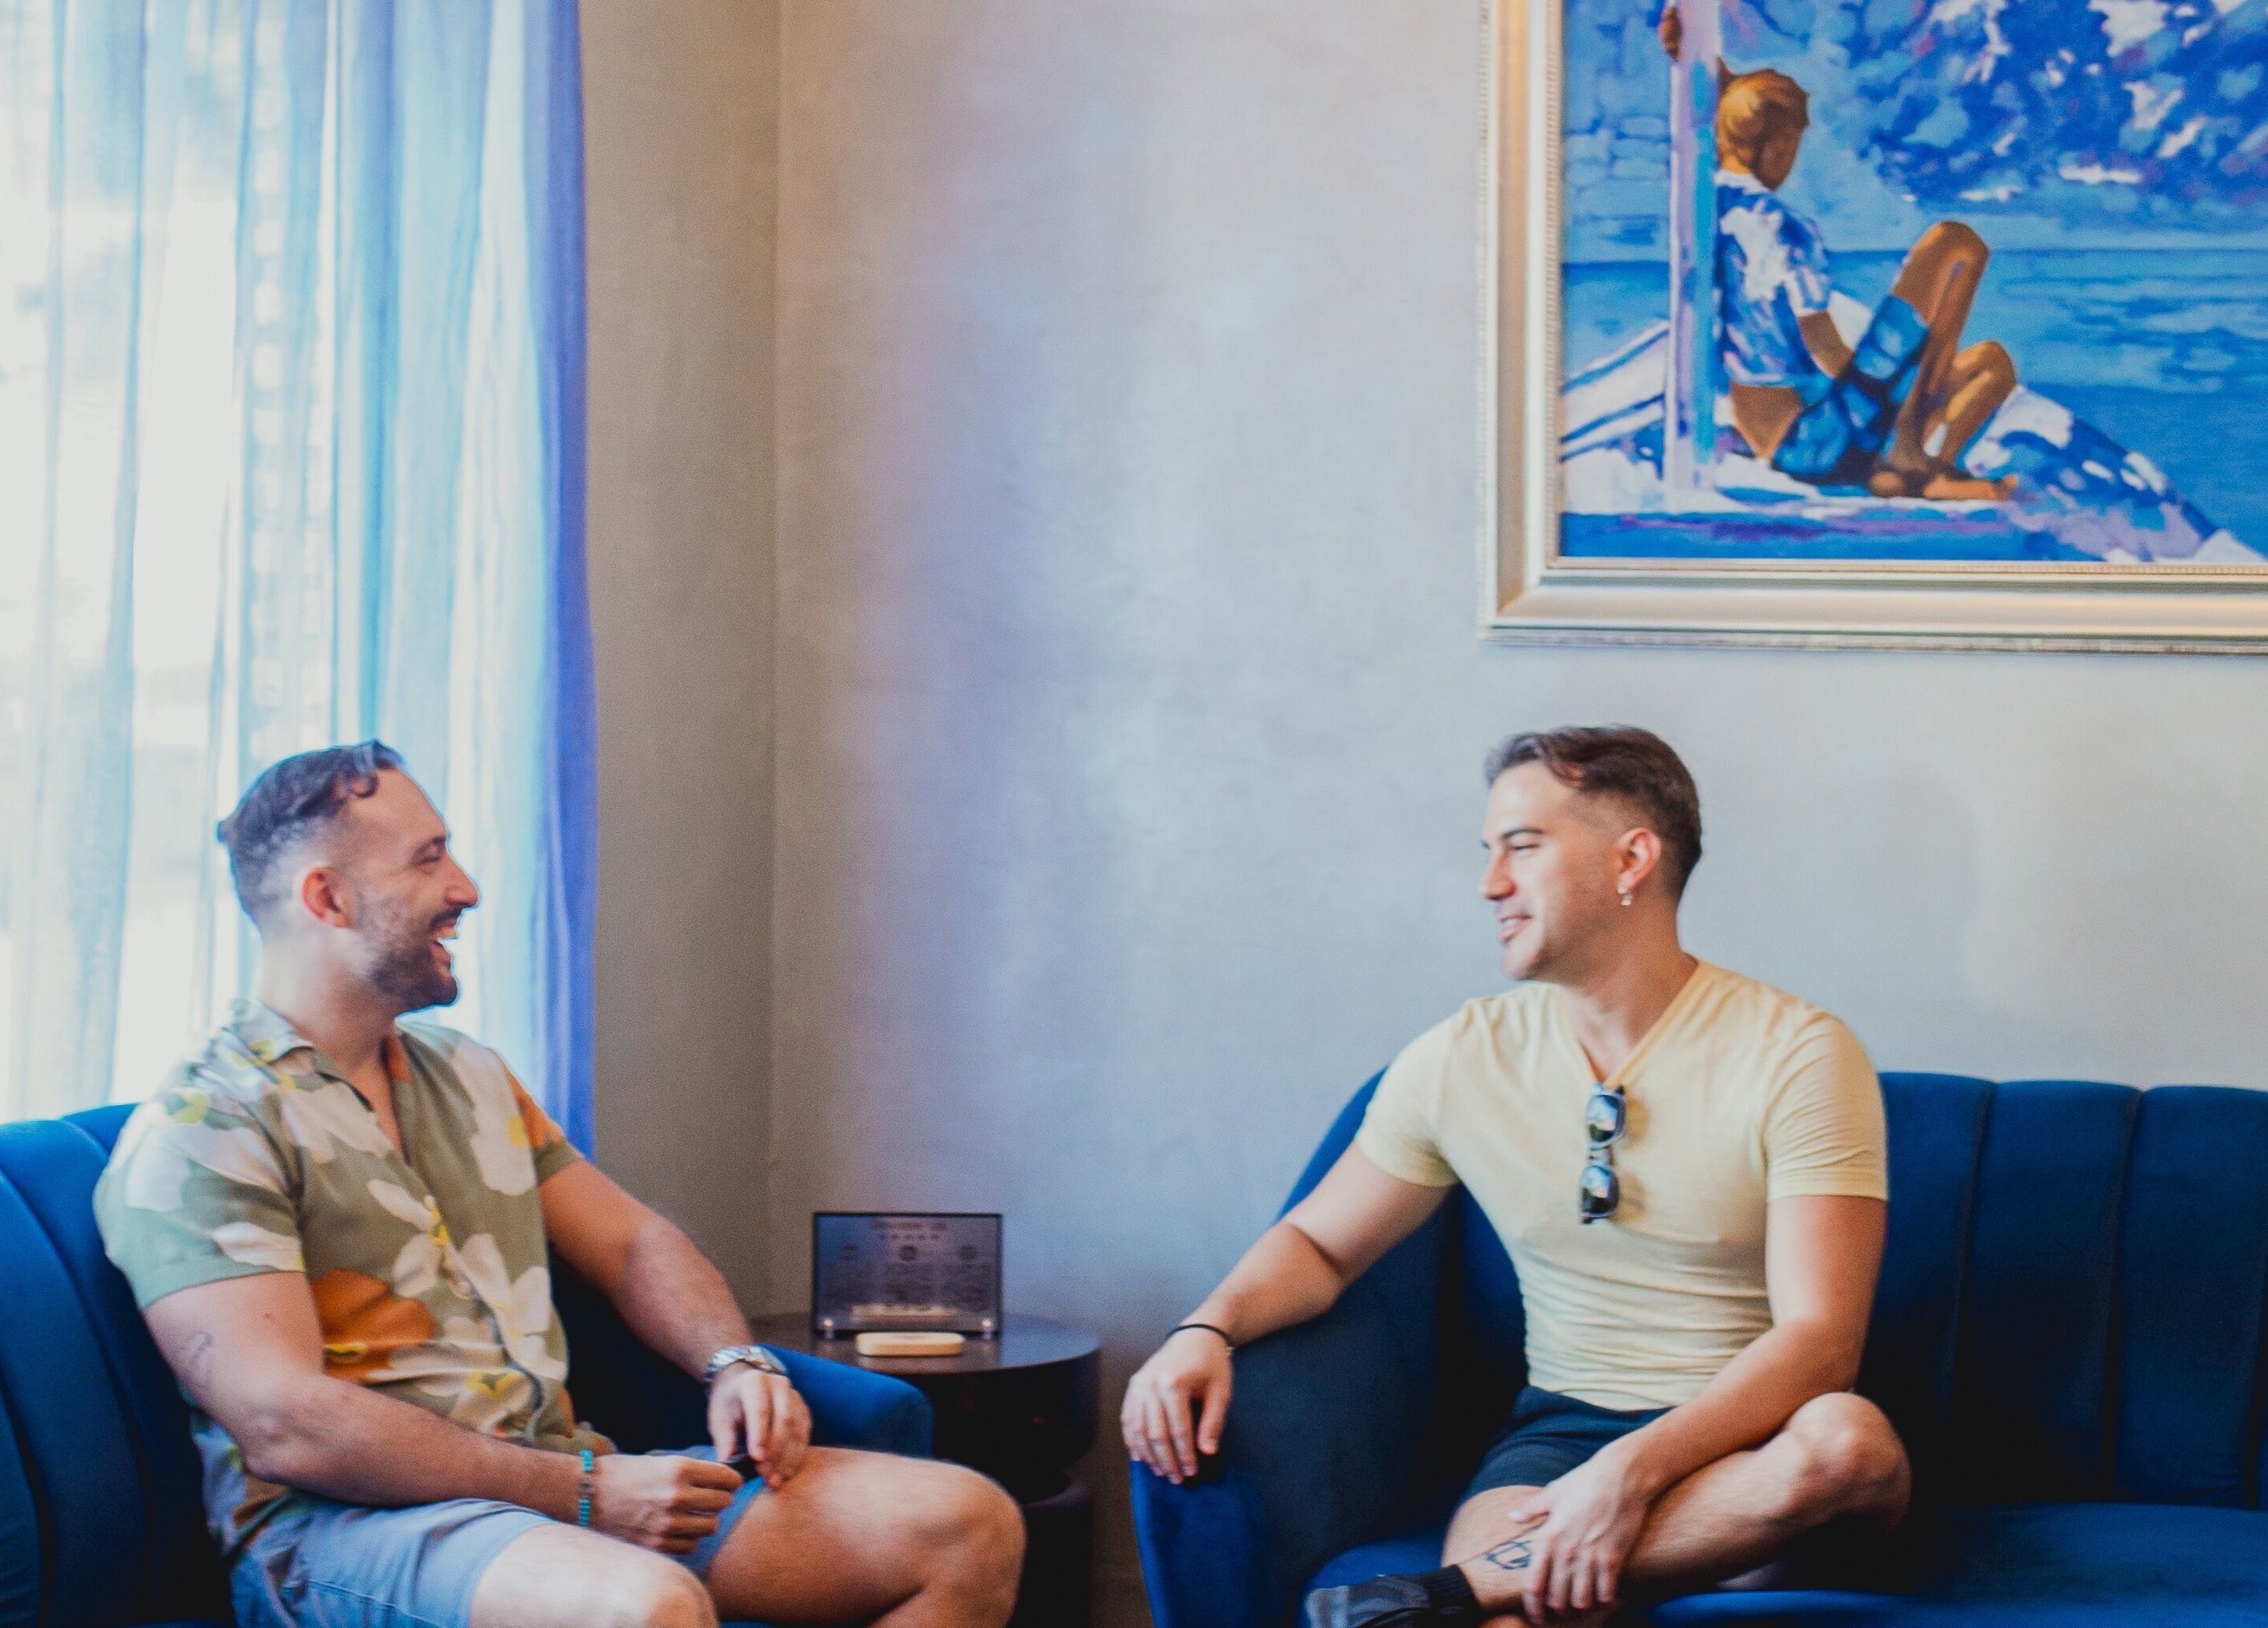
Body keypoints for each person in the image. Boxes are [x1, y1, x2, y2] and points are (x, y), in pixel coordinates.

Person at [95, 742, 1024, 1628]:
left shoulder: (467, 1075)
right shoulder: (205, 1127)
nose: (466, 888)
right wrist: (583, 1493)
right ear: (327, 899)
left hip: (554, 1493)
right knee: (642, 1607)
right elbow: (286, 1424)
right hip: (347, 1535)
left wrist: (734, 1361)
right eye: (428, 861)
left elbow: (631, 1244)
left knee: (965, 1528)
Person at [1122, 728, 1909, 1628]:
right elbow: (1318, 1244)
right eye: (1489, 852)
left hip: (1755, 1444)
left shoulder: (1800, 1053)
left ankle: (1455, 1592)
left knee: (1851, 1445)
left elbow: (1821, 1343)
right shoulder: (1462, 1056)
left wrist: (1630, 1476)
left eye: (1522, 848)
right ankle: (1516, 1585)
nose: (1490, 883)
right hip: (1562, 1436)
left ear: (1632, 859)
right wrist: (1205, 1327)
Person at [1659, 7, 2017, 501]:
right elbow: (1822, 345)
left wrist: (1688, 52)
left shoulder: (1714, 202)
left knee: (1993, 364)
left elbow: (1744, 114)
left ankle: (1914, 463)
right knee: (1954, 244)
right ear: (1777, 146)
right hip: (1810, 442)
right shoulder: (1782, 229)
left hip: (1799, 434)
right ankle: (1911, 457)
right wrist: (1889, 387)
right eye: (1792, 143)